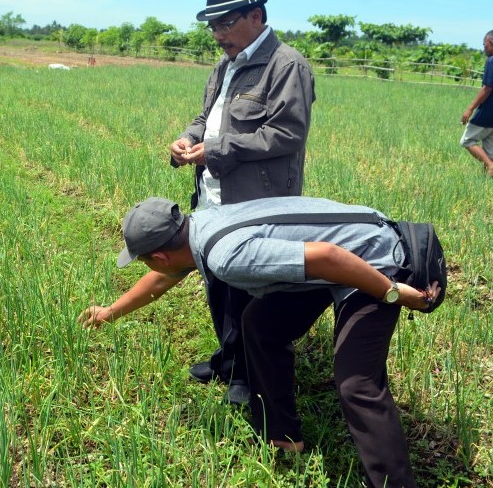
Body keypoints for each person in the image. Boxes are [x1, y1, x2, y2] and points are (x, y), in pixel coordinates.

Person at [80, 197, 437, 487]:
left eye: (145, 262)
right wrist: (112, 311)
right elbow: (162, 281)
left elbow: (331, 257)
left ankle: (396, 482)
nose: (151, 269)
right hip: (340, 255)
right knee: (260, 323)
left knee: (357, 382)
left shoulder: (226, 257)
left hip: (376, 259)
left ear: (159, 256)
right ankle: (283, 435)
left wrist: (394, 294)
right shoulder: (203, 223)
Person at [104, 0, 315, 403]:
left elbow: (287, 135)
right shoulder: (225, 64)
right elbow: (207, 119)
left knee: (250, 285)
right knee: (217, 280)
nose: (218, 36)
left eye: (225, 24)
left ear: (256, 16)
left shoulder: (287, 66)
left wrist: (215, 149)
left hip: (257, 200)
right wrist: (187, 138)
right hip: (214, 193)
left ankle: (250, 378)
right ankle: (230, 359)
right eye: (212, 27)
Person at [460, 30, 493, 176]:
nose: (484, 48)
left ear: (491, 43)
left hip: (487, 112)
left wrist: (470, 109)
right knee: (490, 150)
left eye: (485, 45)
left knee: (467, 140)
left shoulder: (491, 61)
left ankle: (490, 166)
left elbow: (487, 88)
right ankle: (487, 181)